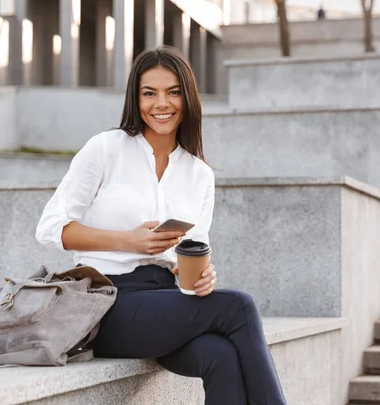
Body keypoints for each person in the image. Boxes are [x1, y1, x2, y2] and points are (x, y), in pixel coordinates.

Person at [35, 46, 287, 405]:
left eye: (173, 92)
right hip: (107, 302)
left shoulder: (199, 174)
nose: (161, 104)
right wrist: (127, 241)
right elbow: (49, 228)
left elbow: (192, 250)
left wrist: (203, 275)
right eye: (149, 93)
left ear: (187, 97)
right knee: (239, 306)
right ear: (135, 99)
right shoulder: (106, 149)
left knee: (221, 356)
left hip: (167, 302)